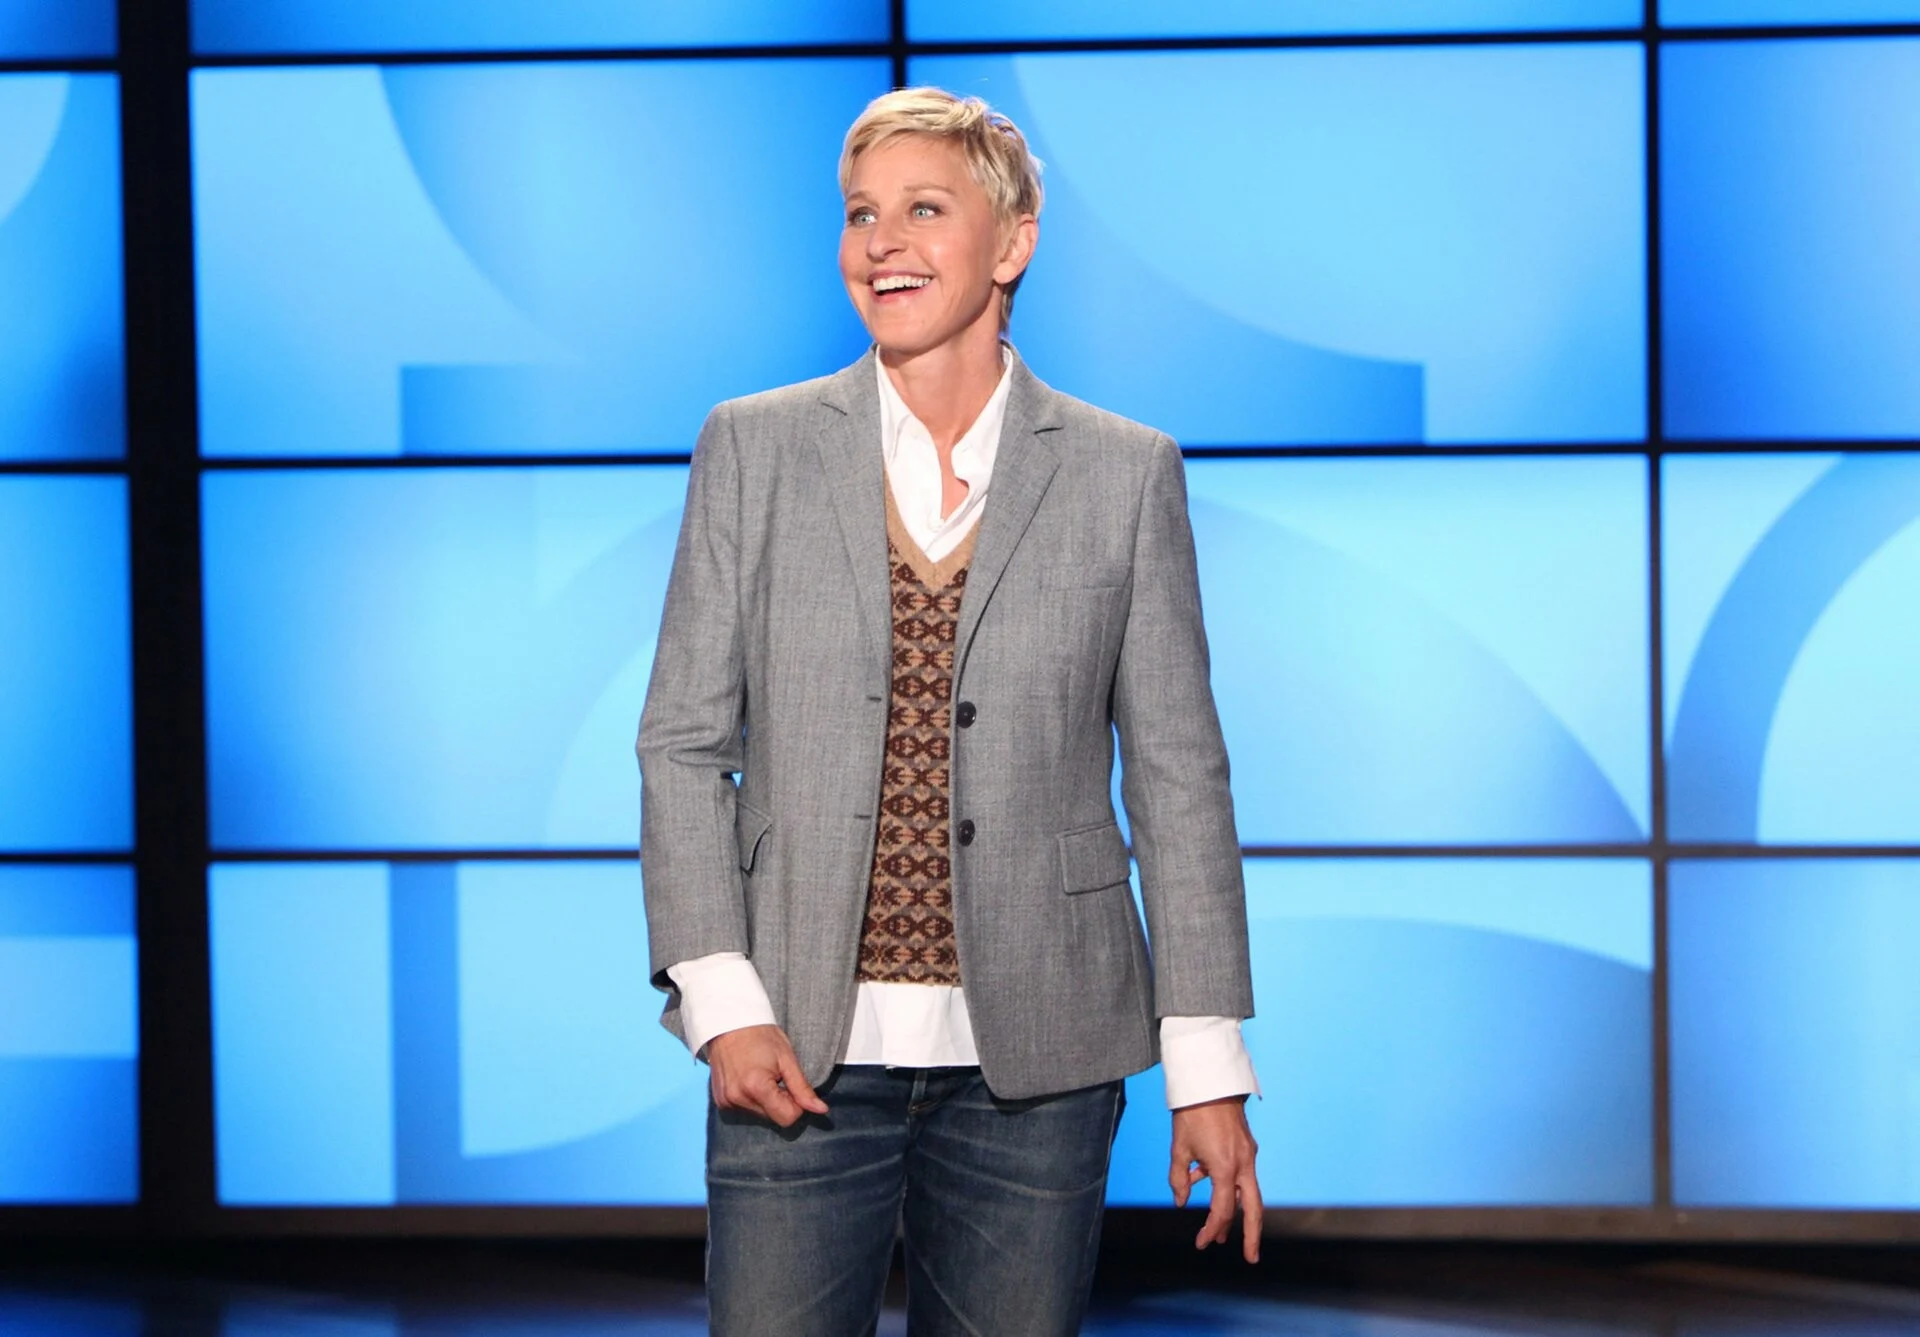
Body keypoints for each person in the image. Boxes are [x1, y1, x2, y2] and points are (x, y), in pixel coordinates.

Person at [637, 86, 1260, 1336]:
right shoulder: (753, 447)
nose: (882, 243)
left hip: (1041, 1059)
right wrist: (722, 1001)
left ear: (1013, 242)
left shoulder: (1123, 470)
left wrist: (1207, 1065)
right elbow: (684, 742)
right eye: (861, 213)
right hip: (793, 1041)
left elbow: (1178, 775)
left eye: (925, 209)